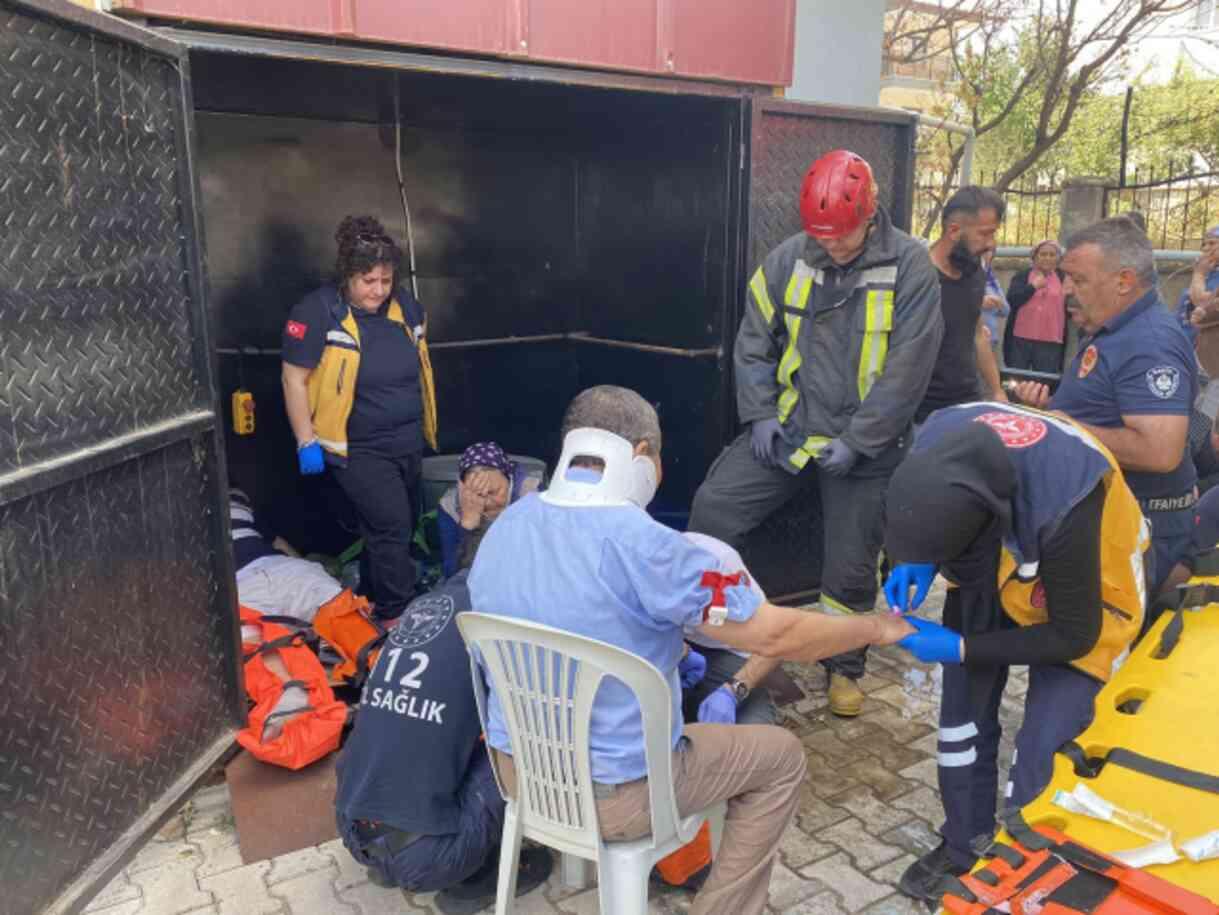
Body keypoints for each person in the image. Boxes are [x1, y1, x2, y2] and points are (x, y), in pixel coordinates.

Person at [469, 385, 915, 915]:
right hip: (619, 797)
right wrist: (873, 629)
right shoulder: (653, 547)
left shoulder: (507, 526)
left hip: (521, 776)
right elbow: (775, 635)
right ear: (640, 455)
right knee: (782, 757)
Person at [687, 149, 943, 718]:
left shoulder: (911, 267)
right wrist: (759, 414)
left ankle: (844, 668)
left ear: (870, 215)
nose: (831, 245)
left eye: (843, 235)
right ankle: (719, 636)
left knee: (850, 566)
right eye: (821, 234)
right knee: (714, 509)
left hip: (866, 447)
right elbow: (753, 339)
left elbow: (908, 367)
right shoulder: (786, 260)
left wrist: (862, 439)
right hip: (790, 431)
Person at [882, 404, 1147, 901]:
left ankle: (1028, 864)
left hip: (1090, 593)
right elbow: (927, 514)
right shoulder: (937, 442)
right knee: (961, 717)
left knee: (1045, 744)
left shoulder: (1064, 499)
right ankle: (965, 844)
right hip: (1003, 558)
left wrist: (961, 645)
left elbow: (1073, 636)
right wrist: (915, 557)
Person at [334, 571, 553, 914]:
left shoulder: (423, 607)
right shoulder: (495, 616)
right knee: (525, 746)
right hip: (431, 857)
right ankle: (476, 879)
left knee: (407, 732)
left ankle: (390, 858)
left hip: (352, 829)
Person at [1013, 218, 1197, 598]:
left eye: (1077, 280)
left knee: (1087, 653)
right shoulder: (1114, 330)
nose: (1065, 290)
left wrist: (1063, 426)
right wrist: (1052, 411)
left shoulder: (1148, 342)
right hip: (1105, 522)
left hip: (1133, 528)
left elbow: (1160, 451)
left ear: (1124, 281)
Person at [281, 215, 438, 623]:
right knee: (392, 527)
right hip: (356, 447)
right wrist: (306, 440)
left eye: (385, 281)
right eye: (368, 282)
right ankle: (395, 616)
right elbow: (294, 378)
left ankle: (368, 598)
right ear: (348, 275)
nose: (379, 291)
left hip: (405, 441)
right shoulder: (318, 311)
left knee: (382, 530)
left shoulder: (405, 307)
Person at [916, 186, 1008, 426]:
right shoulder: (917, 277)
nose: (991, 243)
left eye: (994, 233)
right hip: (921, 412)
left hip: (967, 403)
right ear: (954, 230)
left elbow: (977, 335)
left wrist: (997, 391)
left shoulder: (974, 272)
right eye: (985, 234)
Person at [681, 532, 779, 727]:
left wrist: (734, 690)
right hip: (666, 652)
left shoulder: (717, 560)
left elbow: (776, 638)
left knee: (755, 735)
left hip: (724, 653)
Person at [230, 488, 342, 622]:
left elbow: (278, 542)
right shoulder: (236, 507)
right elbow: (279, 543)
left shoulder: (236, 504)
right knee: (345, 618)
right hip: (273, 574)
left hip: (262, 578)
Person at [436, 442, 541, 579]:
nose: (488, 503)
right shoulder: (449, 507)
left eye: (494, 492)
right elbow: (452, 574)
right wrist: (468, 525)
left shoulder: (533, 496)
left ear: (509, 480)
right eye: (479, 495)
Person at [1005, 239, 1068, 374]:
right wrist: (1032, 287)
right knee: (1016, 380)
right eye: (1043, 254)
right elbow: (1012, 299)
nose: (1047, 258)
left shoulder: (1064, 278)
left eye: (1052, 255)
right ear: (1035, 257)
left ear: (1058, 258)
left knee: (1045, 383)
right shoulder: (1022, 276)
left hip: (1050, 341)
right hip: (1021, 339)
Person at [1179, 225, 1219, 342]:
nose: (1206, 248)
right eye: (1204, 245)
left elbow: (1204, 304)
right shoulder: (1211, 271)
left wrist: (1199, 275)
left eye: (1212, 244)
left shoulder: (1202, 272)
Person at [979, 246, 1010, 371]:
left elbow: (1006, 310)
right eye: (983, 250)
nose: (986, 254)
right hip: (973, 339)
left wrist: (995, 302)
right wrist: (979, 302)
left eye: (989, 251)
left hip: (991, 339)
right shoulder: (965, 275)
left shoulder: (991, 279)